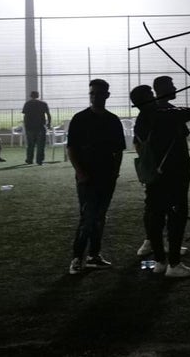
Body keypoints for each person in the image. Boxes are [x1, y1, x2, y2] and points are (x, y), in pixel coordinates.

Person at [131, 76, 190, 278]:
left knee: (155, 214)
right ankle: (174, 264)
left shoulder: (141, 120)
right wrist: (176, 111)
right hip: (174, 172)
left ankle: (160, 261)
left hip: (154, 174)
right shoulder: (163, 115)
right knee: (177, 215)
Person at [66, 79, 125, 275]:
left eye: (99, 93)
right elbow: (71, 149)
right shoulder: (79, 119)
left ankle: (93, 255)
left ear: (107, 95)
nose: (95, 96)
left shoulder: (113, 120)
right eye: (92, 93)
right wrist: (80, 172)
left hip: (106, 176)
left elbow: (119, 150)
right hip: (87, 177)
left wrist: (115, 173)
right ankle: (77, 258)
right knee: (88, 217)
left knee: (100, 217)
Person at [21, 90, 52, 166]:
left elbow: (25, 116)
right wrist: (49, 124)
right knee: (41, 145)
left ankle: (29, 160)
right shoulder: (43, 104)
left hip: (30, 127)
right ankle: (39, 160)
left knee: (30, 144)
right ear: (38, 95)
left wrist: (26, 125)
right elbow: (48, 114)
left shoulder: (27, 104)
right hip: (41, 126)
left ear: (31, 96)